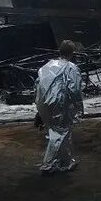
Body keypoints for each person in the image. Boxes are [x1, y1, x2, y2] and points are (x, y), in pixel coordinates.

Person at [34, 40, 84, 174]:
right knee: (60, 132)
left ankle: (65, 161)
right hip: (60, 104)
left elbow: (38, 85)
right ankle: (49, 165)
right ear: (72, 53)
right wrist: (79, 107)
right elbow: (74, 90)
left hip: (44, 103)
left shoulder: (47, 66)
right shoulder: (71, 68)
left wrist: (39, 109)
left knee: (58, 133)